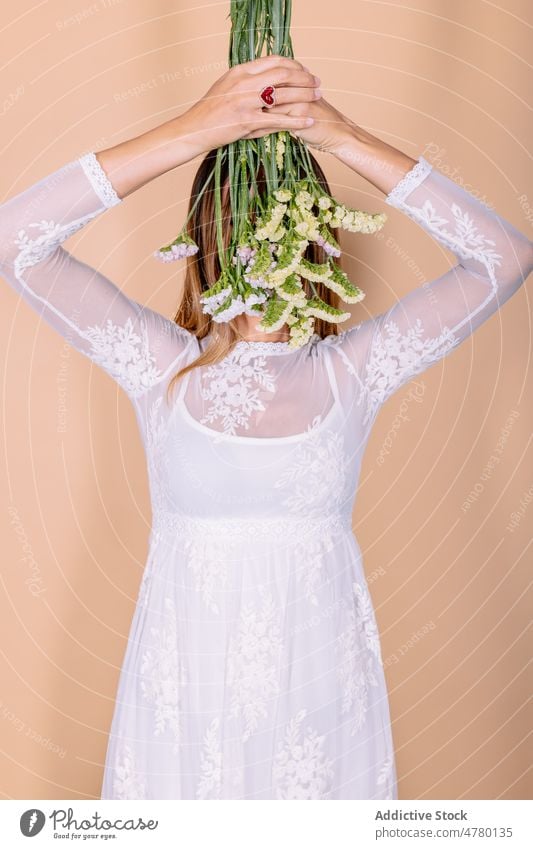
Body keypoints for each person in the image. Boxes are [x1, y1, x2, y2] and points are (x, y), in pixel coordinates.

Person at [0, 54, 531, 801]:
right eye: (234, 221)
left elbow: (504, 257)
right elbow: (13, 238)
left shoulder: (351, 372)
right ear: (205, 233)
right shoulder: (163, 370)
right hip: (185, 703)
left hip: (318, 703)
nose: (254, 243)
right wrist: (195, 130)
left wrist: (340, 134)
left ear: (314, 232)